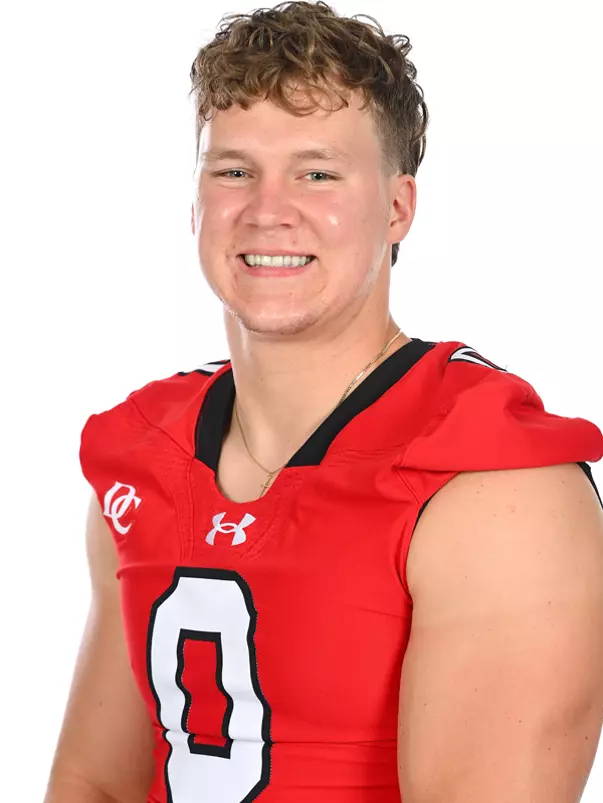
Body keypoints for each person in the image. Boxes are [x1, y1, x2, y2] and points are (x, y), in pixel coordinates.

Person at [44, 2, 603, 802]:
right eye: (233, 170)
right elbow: (94, 782)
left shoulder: (492, 486)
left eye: (318, 173)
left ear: (398, 207)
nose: (267, 208)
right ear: (194, 202)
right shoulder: (144, 456)